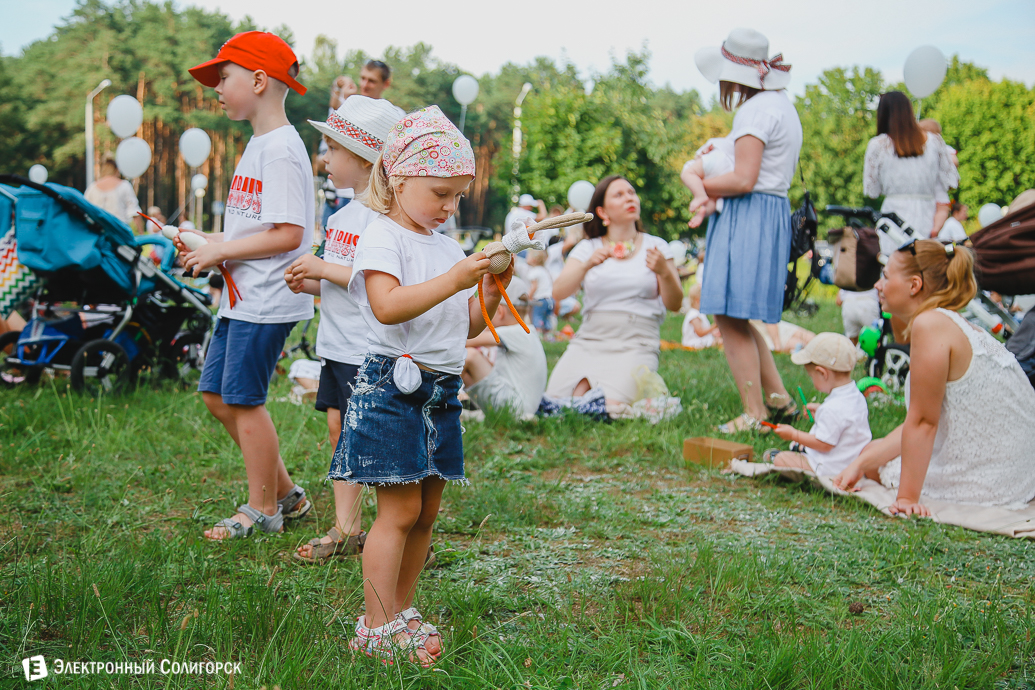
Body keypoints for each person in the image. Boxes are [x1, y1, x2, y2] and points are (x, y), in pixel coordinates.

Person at [333, 106, 505, 665]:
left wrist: (494, 287)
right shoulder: (383, 237)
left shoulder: (448, 246)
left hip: (441, 390)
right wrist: (456, 277)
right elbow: (386, 307)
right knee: (398, 512)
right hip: (392, 391)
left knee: (426, 512)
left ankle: (400, 610)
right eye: (440, 193)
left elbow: (469, 325)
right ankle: (376, 625)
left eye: (457, 196)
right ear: (400, 178)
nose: (451, 207)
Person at [181, 31, 315, 540]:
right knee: (217, 396)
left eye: (224, 77)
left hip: (265, 298)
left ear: (259, 80)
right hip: (242, 298)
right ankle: (287, 495)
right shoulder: (261, 145)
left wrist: (220, 251)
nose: (216, 87)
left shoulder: (280, 149)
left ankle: (263, 510)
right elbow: (252, 229)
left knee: (243, 400)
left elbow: (288, 234)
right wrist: (207, 241)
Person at [832, 239, 1035, 514]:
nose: (878, 285)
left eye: (886, 277)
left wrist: (906, 499)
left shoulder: (930, 325)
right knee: (867, 455)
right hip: (1022, 471)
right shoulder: (952, 323)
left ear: (915, 285)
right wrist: (860, 463)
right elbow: (920, 420)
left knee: (876, 467)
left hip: (995, 479)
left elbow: (924, 422)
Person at [283, 96, 401, 563]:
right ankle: (348, 528)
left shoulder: (384, 219)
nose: (325, 158)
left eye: (332, 149)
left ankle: (402, 531)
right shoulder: (340, 217)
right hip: (336, 346)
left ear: (364, 158)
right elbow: (340, 278)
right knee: (338, 428)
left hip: (368, 349)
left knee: (373, 438)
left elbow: (370, 278)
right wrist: (309, 277)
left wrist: (324, 267)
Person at [692, 28, 803, 432]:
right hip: (766, 211)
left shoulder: (756, 111)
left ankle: (755, 413)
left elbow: (743, 178)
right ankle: (781, 404)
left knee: (727, 315)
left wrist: (697, 181)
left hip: (749, 212)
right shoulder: (779, 105)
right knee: (739, 317)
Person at [547, 175, 683, 412]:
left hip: (636, 342)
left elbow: (674, 303)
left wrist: (665, 272)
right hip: (590, 340)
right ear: (602, 211)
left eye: (631, 192)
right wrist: (587, 265)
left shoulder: (657, 246)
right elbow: (558, 292)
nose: (629, 198)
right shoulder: (588, 248)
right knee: (556, 402)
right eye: (619, 195)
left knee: (609, 407)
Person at [769, 333, 871, 477]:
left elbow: (824, 444)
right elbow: (845, 420)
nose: (811, 380)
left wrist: (793, 434)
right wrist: (820, 410)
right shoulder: (855, 396)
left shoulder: (832, 408)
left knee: (781, 459)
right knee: (799, 448)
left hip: (830, 467)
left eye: (812, 377)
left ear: (822, 373)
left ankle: (779, 458)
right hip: (852, 461)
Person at [864, 93, 959, 241]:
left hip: (892, 216)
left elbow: (872, 191)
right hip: (926, 216)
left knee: (894, 261)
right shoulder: (935, 142)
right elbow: (951, 181)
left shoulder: (878, 145)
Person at [462, 277, 548, 417]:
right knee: (471, 366)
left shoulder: (516, 332)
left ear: (500, 311)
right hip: (518, 405)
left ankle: (439, 401)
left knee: (469, 356)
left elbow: (465, 341)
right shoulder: (526, 331)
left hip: (515, 408)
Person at [680, 136, 735, 228]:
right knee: (713, 199)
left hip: (716, 159)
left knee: (687, 173)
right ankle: (704, 211)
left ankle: (699, 196)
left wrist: (699, 156)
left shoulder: (718, 144)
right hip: (729, 170)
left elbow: (705, 150)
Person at [84, 153, 143, 232]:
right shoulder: (124, 186)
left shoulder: (92, 188)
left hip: (97, 233)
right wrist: (141, 234)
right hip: (119, 233)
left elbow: (84, 210)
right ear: (117, 170)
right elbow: (135, 212)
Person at [681, 283, 722, 349]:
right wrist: (714, 326)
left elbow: (703, 328)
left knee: (720, 340)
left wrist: (713, 332)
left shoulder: (699, 313)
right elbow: (700, 333)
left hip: (700, 340)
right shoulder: (694, 315)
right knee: (720, 342)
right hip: (693, 343)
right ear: (698, 301)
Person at [524, 249, 554, 333]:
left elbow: (534, 287)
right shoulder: (544, 270)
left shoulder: (534, 272)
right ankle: (547, 334)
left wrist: (529, 296)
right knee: (546, 317)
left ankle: (538, 333)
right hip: (550, 300)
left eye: (528, 256)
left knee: (537, 316)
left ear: (533, 260)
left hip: (540, 300)